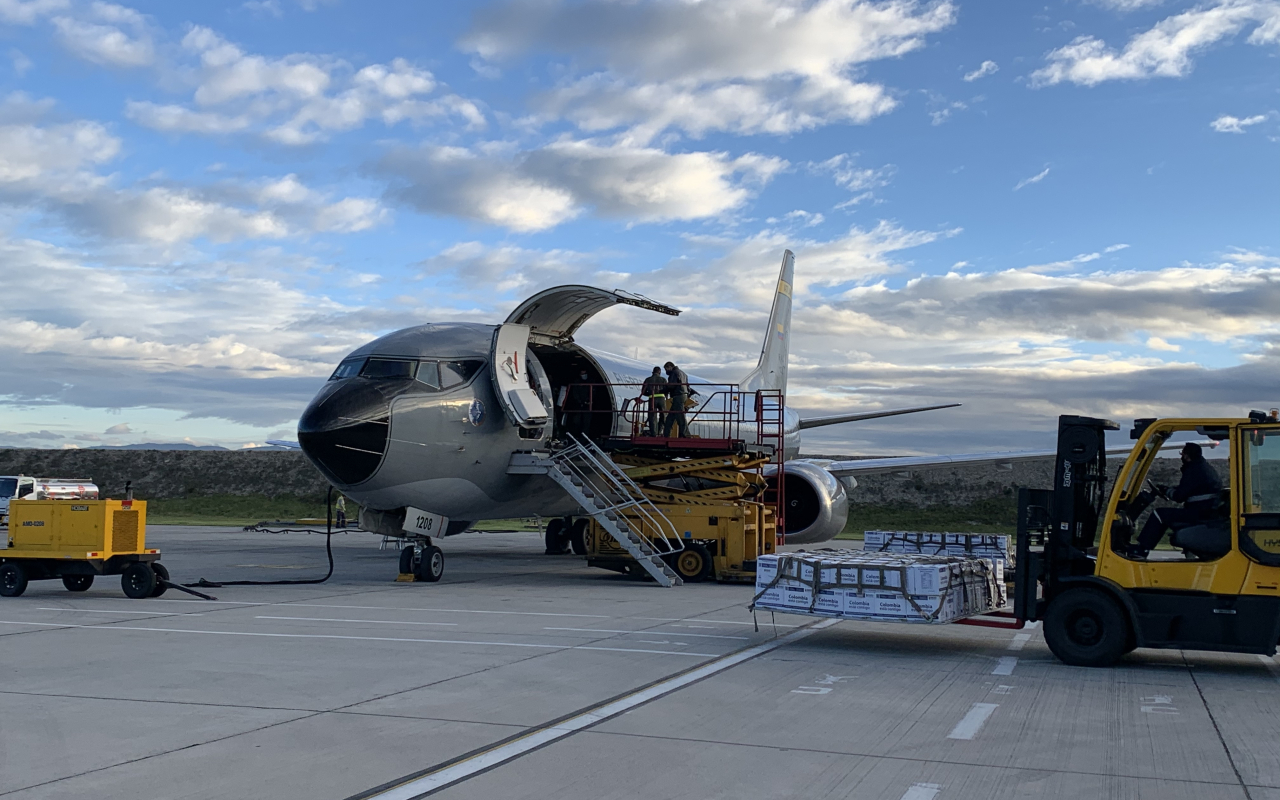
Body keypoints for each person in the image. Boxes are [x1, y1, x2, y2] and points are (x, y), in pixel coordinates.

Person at [1128, 442, 1223, 558]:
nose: (1181, 457)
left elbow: (1179, 496)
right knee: (1165, 514)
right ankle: (1143, 548)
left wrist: (1167, 491)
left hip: (1198, 514)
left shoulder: (1194, 471)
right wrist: (1167, 489)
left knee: (1159, 514)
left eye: (1182, 454)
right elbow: (1189, 490)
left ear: (1187, 456)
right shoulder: (1202, 468)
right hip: (1204, 512)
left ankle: (1141, 550)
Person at [662, 361, 690, 438]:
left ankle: (685, 435)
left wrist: (663, 389)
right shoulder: (684, 374)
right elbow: (688, 386)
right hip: (683, 395)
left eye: (666, 369)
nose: (666, 371)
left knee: (680, 417)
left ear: (670, 367)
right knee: (670, 417)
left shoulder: (674, 373)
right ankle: (666, 435)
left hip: (678, 395)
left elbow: (672, 386)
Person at [563, 369, 594, 438]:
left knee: (586, 422)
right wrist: (580, 401)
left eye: (585, 373)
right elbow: (575, 393)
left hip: (588, 405)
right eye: (582, 373)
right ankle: (576, 436)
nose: (584, 375)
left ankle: (584, 437)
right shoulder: (576, 382)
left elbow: (593, 392)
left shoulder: (591, 381)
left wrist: (588, 400)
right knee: (576, 421)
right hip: (578, 405)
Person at [640, 366, 667, 436]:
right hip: (661, 399)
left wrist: (649, 394)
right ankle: (660, 430)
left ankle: (653, 433)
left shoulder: (648, 380)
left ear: (653, 372)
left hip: (652, 399)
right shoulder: (663, 379)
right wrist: (665, 397)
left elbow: (643, 392)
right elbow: (667, 390)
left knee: (652, 416)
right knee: (663, 415)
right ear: (659, 372)